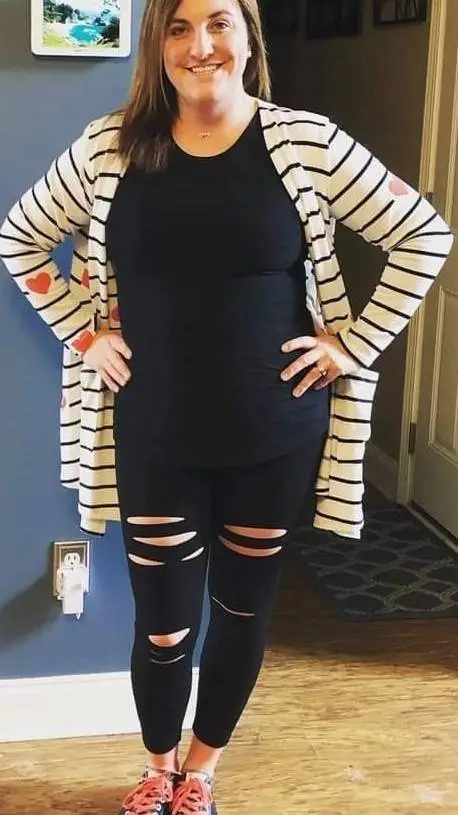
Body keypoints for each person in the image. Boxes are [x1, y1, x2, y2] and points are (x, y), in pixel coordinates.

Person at [0, 0, 453, 812]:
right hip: (155, 431)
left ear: (248, 37)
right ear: (157, 45)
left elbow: (424, 234)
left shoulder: (305, 142)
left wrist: (354, 344)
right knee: (164, 625)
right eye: (178, 28)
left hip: (274, 430)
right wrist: (84, 334)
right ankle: (157, 767)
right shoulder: (110, 145)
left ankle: (201, 772)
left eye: (218, 23)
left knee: (243, 609)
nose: (200, 44)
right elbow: (20, 237)